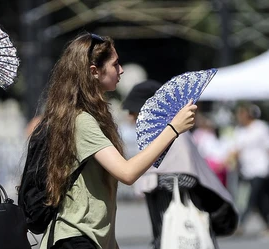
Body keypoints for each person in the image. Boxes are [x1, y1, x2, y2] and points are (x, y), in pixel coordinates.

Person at [32, 32, 197, 249]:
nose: (121, 70)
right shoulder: (81, 121)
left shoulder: (91, 117)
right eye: (115, 64)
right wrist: (173, 129)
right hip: (75, 238)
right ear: (94, 71)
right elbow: (127, 173)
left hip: (90, 238)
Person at [123, 79, 238, 249]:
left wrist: (155, 180)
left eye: (133, 111)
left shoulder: (173, 132)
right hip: (167, 228)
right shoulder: (158, 133)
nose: (130, 117)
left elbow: (187, 177)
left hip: (182, 225)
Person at [230, 103, 269, 235]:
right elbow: (237, 149)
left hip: (260, 168)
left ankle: (240, 224)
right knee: (260, 201)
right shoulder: (239, 130)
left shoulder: (260, 128)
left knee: (251, 198)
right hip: (247, 170)